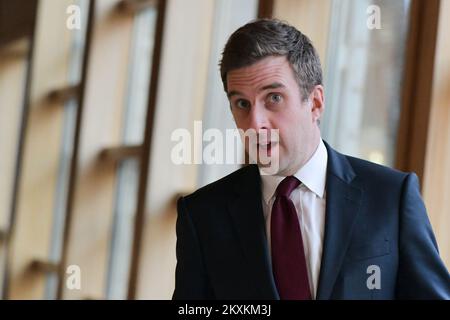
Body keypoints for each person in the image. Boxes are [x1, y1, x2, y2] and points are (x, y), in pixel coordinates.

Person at [172, 19, 450, 300]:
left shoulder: (391, 196)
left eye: (274, 98)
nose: (255, 123)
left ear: (315, 103)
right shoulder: (203, 216)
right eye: (242, 104)